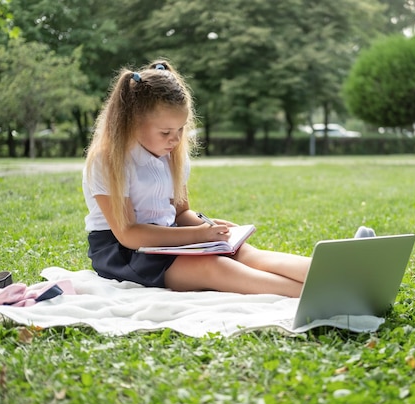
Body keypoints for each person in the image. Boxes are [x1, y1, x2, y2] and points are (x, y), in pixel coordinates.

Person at [82, 60, 312, 297]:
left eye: (181, 129)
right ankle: (317, 294)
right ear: (131, 123)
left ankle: (335, 275)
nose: (176, 139)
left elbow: (181, 214)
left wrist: (212, 227)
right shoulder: (109, 160)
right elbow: (128, 234)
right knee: (213, 268)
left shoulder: (170, 156)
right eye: (165, 132)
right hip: (123, 251)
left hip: (167, 238)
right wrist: (199, 235)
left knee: (243, 253)